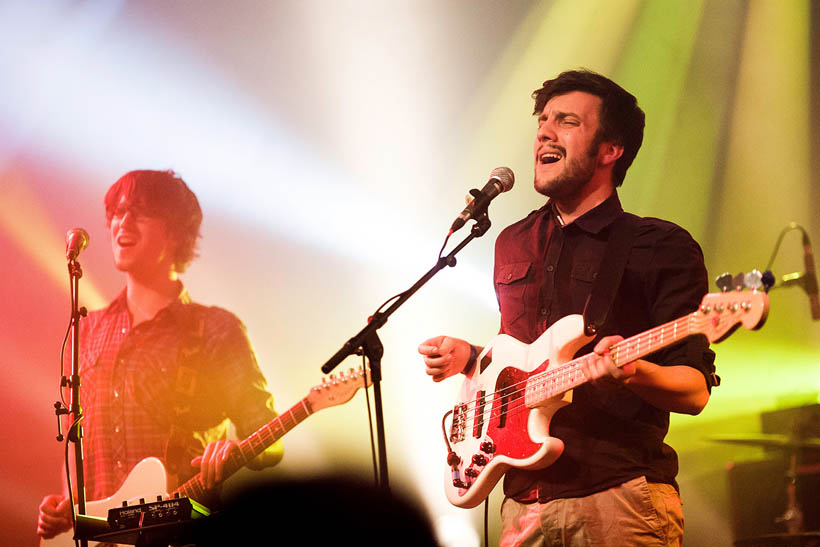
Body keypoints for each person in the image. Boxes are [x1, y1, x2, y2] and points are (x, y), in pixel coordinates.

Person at [419, 70, 717, 546]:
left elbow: (695, 390)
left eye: (566, 120)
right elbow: (520, 359)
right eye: (542, 120)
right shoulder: (512, 242)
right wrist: (472, 357)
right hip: (520, 499)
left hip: (618, 496)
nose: (544, 130)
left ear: (610, 150)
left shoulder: (658, 246)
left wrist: (634, 372)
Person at [37, 170, 283, 540]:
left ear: (175, 231)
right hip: (95, 536)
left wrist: (230, 448)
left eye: (139, 212)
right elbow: (76, 440)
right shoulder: (86, 329)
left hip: (181, 530)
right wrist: (67, 504)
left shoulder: (216, 329)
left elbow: (270, 438)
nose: (123, 222)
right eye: (117, 213)